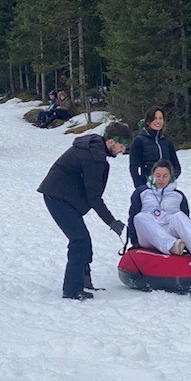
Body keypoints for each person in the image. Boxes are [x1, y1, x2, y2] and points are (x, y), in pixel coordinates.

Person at [37, 122, 131, 300]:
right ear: (110, 142)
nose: (122, 150)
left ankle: (84, 280)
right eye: (121, 146)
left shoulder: (95, 147)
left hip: (64, 195)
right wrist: (112, 222)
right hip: (57, 197)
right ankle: (72, 289)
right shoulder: (93, 157)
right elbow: (94, 197)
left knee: (83, 239)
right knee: (79, 240)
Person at [127, 160, 191, 264]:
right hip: (148, 236)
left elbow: (185, 221)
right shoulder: (142, 192)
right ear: (152, 175)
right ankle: (170, 245)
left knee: (179, 215)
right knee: (140, 217)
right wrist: (134, 242)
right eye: (158, 175)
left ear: (171, 177)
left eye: (165, 176)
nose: (161, 179)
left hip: (170, 233)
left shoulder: (178, 195)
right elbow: (132, 217)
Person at [129, 106, 181, 188]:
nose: (158, 121)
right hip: (147, 185)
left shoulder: (166, 141)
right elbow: (133, 167)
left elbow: (176, 166)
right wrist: (140, 186)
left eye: (161, 118)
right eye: (155, 118)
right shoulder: (139, 140)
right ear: (148, 121)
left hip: (166, 187)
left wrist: (170, 179)